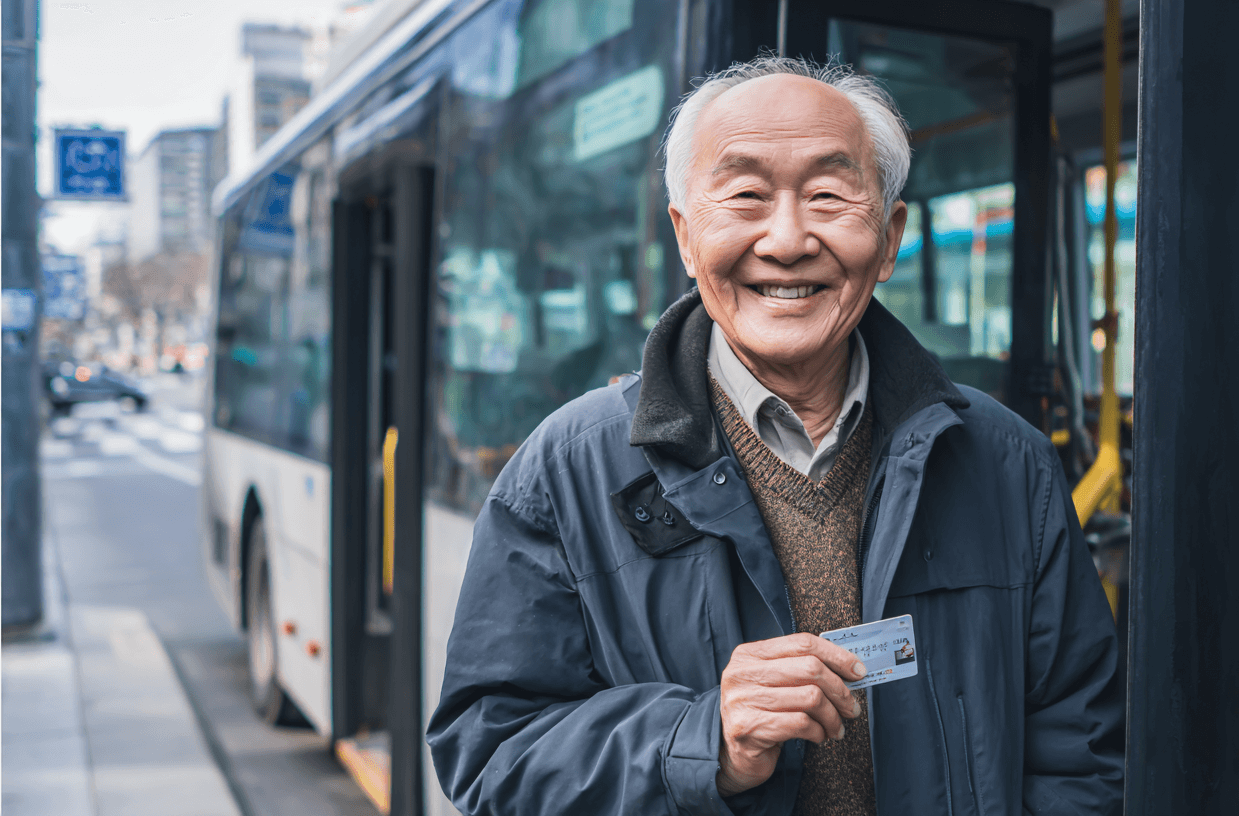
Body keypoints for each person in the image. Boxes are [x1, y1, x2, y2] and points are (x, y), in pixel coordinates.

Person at [427, 56, 1123, 815]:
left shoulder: (1006, 461)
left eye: (828, 195)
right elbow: (492, 757)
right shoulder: (568, 471)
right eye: (747, 196)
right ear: (687, 238)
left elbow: (1079, 751)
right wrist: (703, 742)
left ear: (889, 239)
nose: (787, 239)